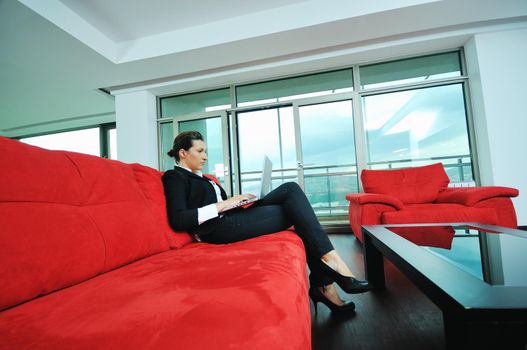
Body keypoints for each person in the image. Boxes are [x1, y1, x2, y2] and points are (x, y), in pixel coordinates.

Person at [162, 131, 371, 316]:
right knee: (294, 211)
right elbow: (179, 219)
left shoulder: (205, 178)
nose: (205, 156)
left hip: (230, 217)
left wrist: (238, 201)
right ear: (183, 153)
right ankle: (328, 272)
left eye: (205, 151)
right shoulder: (175, 177)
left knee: (290, 189)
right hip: (217, 229)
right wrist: (225, 204)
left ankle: (325, 279)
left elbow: (216, 204)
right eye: (200, 151)